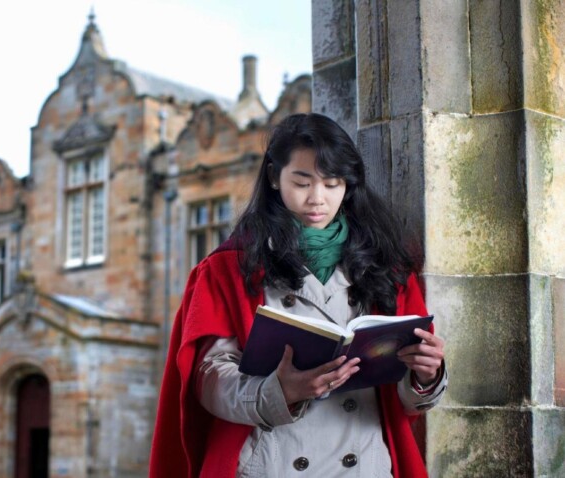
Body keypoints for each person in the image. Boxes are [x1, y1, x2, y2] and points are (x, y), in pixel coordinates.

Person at [149, 113, 447, 478]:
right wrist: (278, 391)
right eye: (302, 182)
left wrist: (426, 375)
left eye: (333, 183)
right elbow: (208, 379)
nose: (317, 199)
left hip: (364, 464)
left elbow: (406, 401)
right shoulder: (228, 268)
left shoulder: (388, 267)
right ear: (274, 177)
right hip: (271, 462)